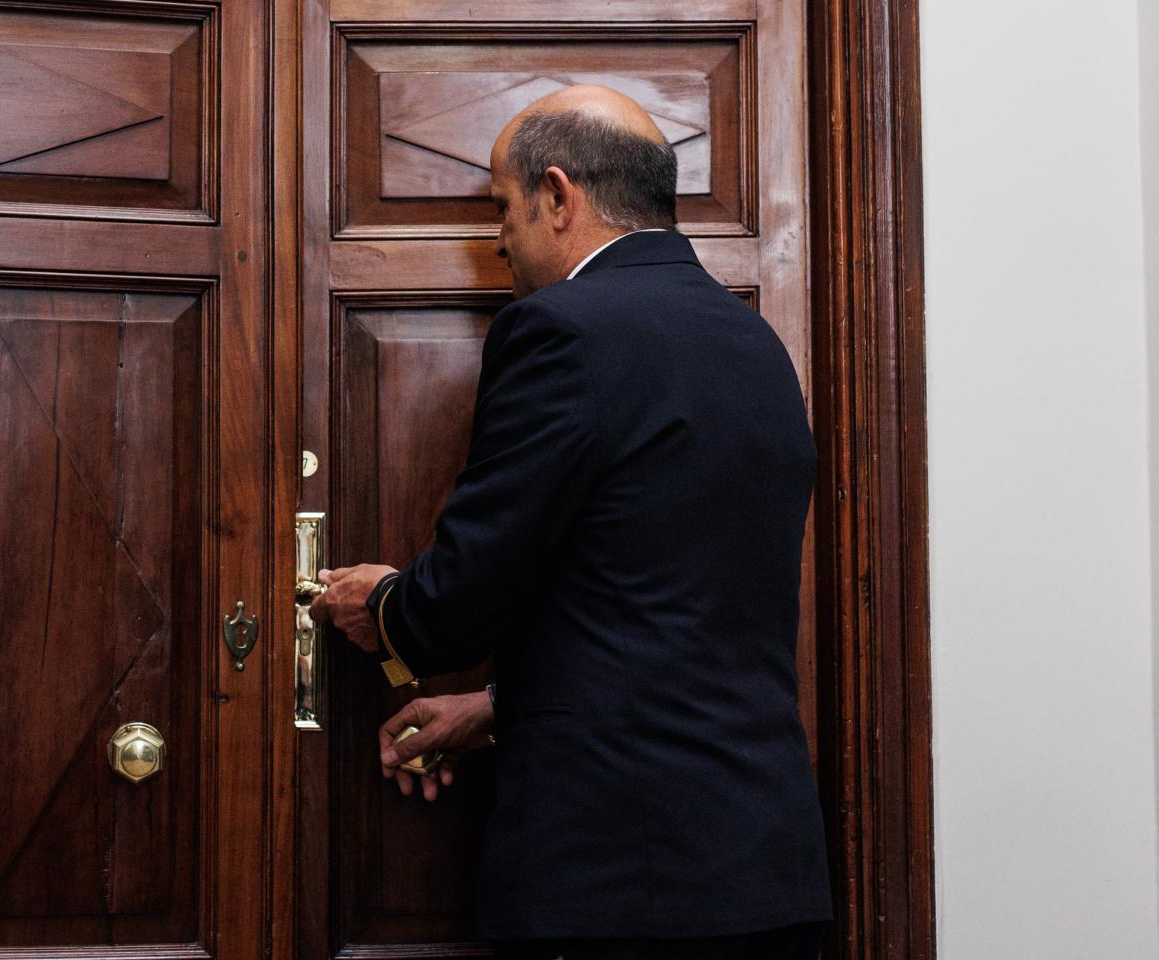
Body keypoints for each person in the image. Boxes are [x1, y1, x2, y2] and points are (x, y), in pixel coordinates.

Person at [307, 85, 833, 960]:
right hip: (766, 874)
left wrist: (386, 602)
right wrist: (498, 709)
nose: (497, 238)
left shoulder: (561, 332)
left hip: (616, 886)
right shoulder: (755, 344)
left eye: (502, 208)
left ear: (558, 196)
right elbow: (667, 611)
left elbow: (458, 604)